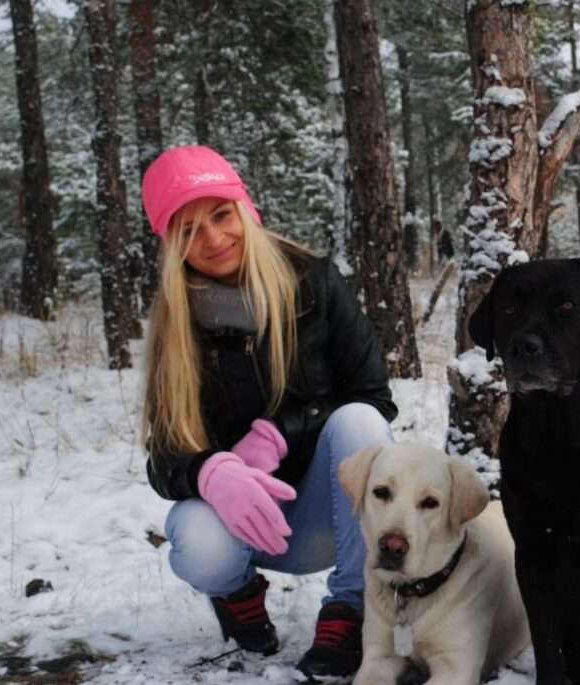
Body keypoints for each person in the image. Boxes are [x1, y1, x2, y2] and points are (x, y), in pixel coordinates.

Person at [138, 145, 396, 682]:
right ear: (169, 244)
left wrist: (279, 433)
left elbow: (373, 397)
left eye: (220, 214)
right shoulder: (173, 321)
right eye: (187, 229)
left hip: (331, 516)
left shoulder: (316, 282)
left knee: (361, 424)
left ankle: (350, 609)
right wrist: (212, 470)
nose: (212, 239)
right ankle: (237, 594)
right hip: (245, 525)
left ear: (245, 209)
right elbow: (163, 457)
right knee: (193, 534)